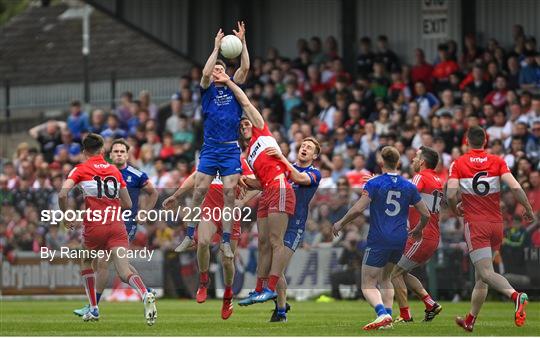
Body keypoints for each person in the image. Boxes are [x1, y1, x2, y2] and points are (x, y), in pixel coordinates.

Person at [212, 70, 296, 304]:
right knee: (263, 242)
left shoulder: (262, 130)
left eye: (246, 122)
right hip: (267, 191)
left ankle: (270, 287)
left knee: (276, 242)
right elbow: (259, 181)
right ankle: (259, 287)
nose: (245, 125)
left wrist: (228, 82)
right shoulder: (248, 155)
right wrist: (247, 181)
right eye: (242, 125)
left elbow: (245, 102)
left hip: (280, 188)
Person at [58, 134, 157, 325]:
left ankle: (94, 308)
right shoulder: (114, 170)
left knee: (87, 261)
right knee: (123, 270)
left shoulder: (80, 169)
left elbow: (63, 193)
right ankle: (145, 294)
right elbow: (127, 204)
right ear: (103, 150)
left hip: (94, 226)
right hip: (117, 226)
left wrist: (65, 215)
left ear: (84, 151)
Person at [332, 146, 430, 330]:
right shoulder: (409, 185)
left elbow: (359, 209)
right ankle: (388, 319)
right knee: (386, 278)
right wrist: (418, 229)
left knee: (367, 283)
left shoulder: (374, 183)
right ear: (399, 163)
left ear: (381, 162)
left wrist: (341, 222)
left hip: (379, 237)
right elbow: (425, 214)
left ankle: (382, 313)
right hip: (400, 238)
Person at [447, 126, 534, 332]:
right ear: (485, 142)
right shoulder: (497, 161)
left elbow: (450, 194)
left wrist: (455, 208)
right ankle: (470, 320)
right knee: (482, 275)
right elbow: (515, 186)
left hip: (476, 224)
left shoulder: (459, 163)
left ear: (467, 142)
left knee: (485, 272)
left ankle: (516, 296)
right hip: (496, 223)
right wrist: (528, 209)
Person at [174, 22, 250, 259]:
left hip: (229, 149)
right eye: (216, 68)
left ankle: (226, 240)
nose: (217, 71)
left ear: (227, 72)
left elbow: (245, 67)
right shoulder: (207, 89)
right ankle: (189, 235)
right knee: (199, 191)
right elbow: (206, 73)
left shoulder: (233, 87)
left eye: (221, 69)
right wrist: (216, 48)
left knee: (229, 192)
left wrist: (243, 42)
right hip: (210, 148)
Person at [162, 150, 258, 320]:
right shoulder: (210, 158)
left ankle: (228, 295)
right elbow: (194, 178)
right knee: (203, 242)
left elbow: (258, 184)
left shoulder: (239, 161)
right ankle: (204, 280)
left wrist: (242, 201)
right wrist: (176, 195)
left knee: (227, 260)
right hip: (210, 210)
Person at [255, 137, 321, 322]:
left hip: (294, 226)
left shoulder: (314, 173)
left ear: (314, 155)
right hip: (276, 222)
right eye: (303, 145)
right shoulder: (284, 167)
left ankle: (281, 311)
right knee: (270, 268)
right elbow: (263, 184)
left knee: (277, 266)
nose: (305, 148)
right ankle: (281, 306)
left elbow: (299, 178)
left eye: (309, 147)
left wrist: (281, 159)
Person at [390, 146, 443, 323]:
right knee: (402, 272)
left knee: (394, 273)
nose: (412, 160)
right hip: (431, 236)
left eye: (416, 157)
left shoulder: (421, 176)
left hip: (422, 235)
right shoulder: (437, 179)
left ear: (422, 162)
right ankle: (430, 304)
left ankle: (405, 315)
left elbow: (406, 194)